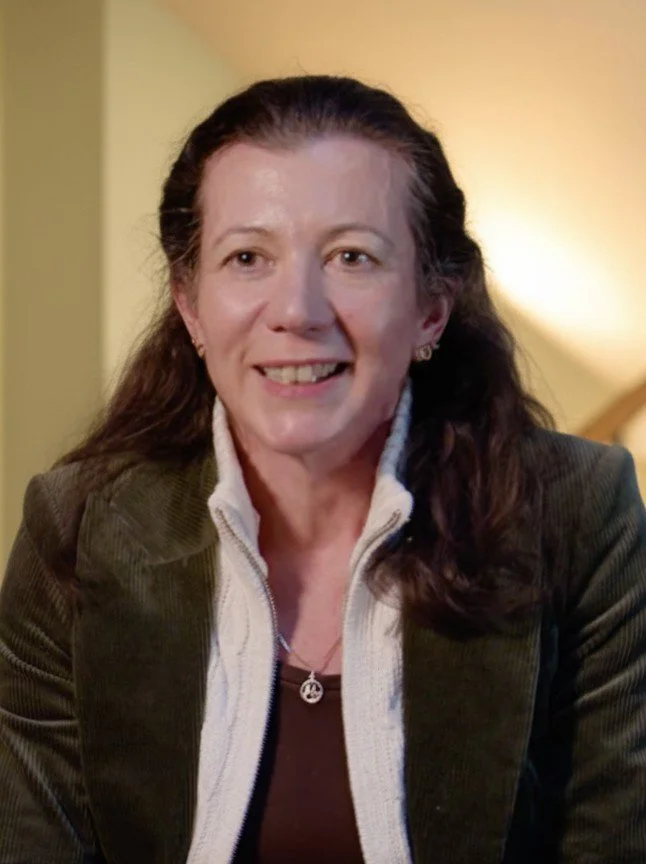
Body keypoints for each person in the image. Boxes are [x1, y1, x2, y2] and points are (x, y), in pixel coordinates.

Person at [1, 75, 645, 864]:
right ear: (192, 307)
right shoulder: (74, 529)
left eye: (351, 257)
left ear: (431, 309)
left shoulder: (581, 516)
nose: (297, 310)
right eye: (247, 257)